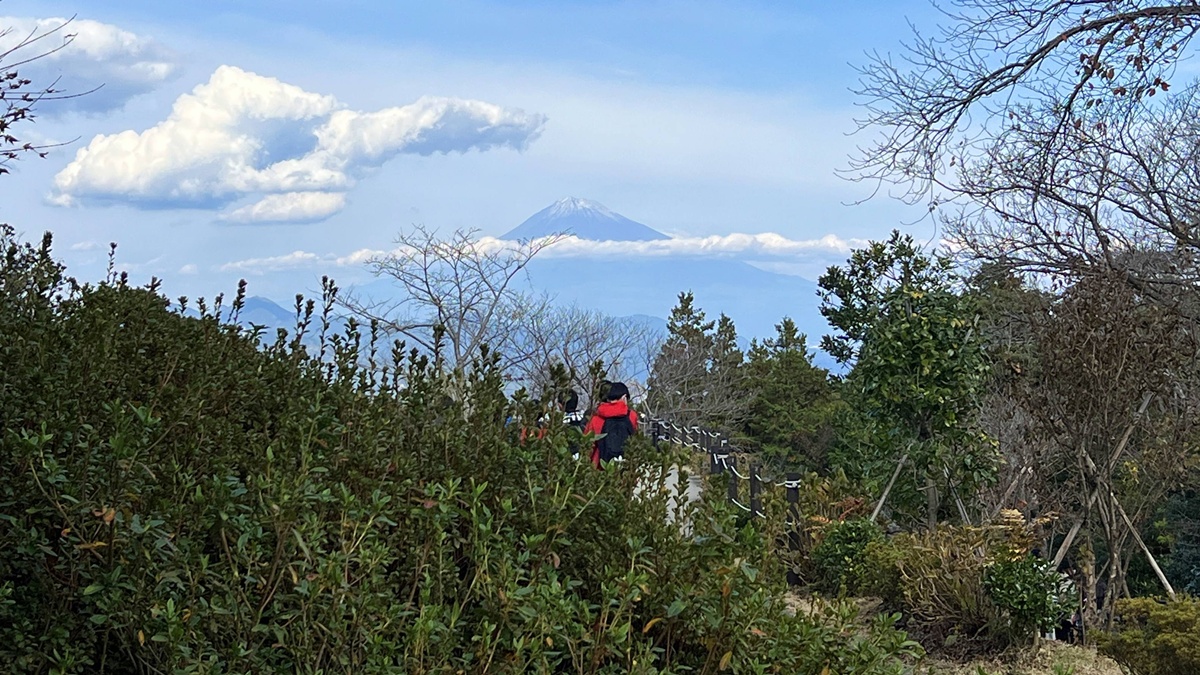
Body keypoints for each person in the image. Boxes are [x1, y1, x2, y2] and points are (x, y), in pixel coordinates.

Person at [584, 381, 639, 468]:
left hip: (600, 468)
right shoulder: (632, 416)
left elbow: (587, 447)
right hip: (626, 469)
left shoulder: (595, 418)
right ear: (624, 397)